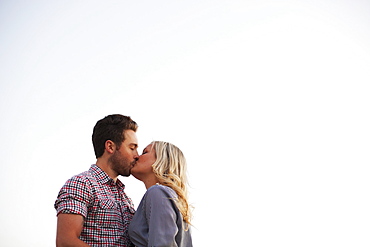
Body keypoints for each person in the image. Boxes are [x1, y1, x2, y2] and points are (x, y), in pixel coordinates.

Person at [54, 114, 139, 247]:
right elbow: (66, 242)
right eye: (132, 148)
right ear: (110, 147)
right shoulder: (82, 184)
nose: (137, 155)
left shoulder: (126, 199)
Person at [128, 141, 193, 247]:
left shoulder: (158, 193)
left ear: (161, 160)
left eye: (145, 152)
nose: (136, 157)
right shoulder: (170, 197)